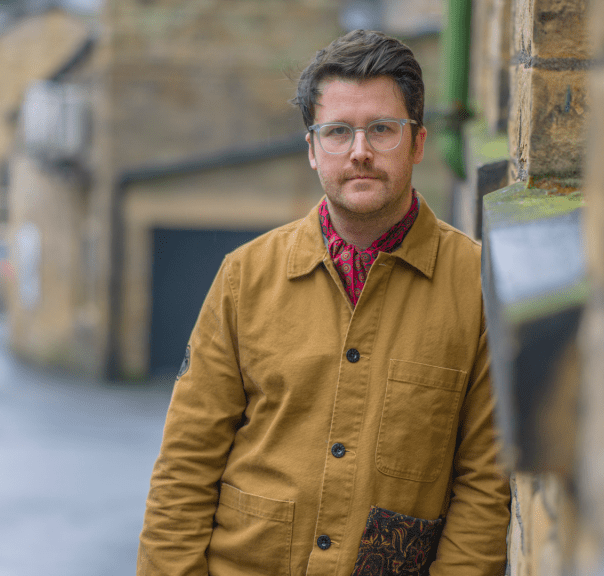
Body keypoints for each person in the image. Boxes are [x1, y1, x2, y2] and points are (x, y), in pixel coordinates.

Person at [137, 29, 510, 576]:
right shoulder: (245, 277)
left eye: (382, 129)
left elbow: (484, 487)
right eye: (337, 132)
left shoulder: (474, 286)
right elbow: (185, 467)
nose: (360, 152)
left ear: (417, 143)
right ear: (312, 149)